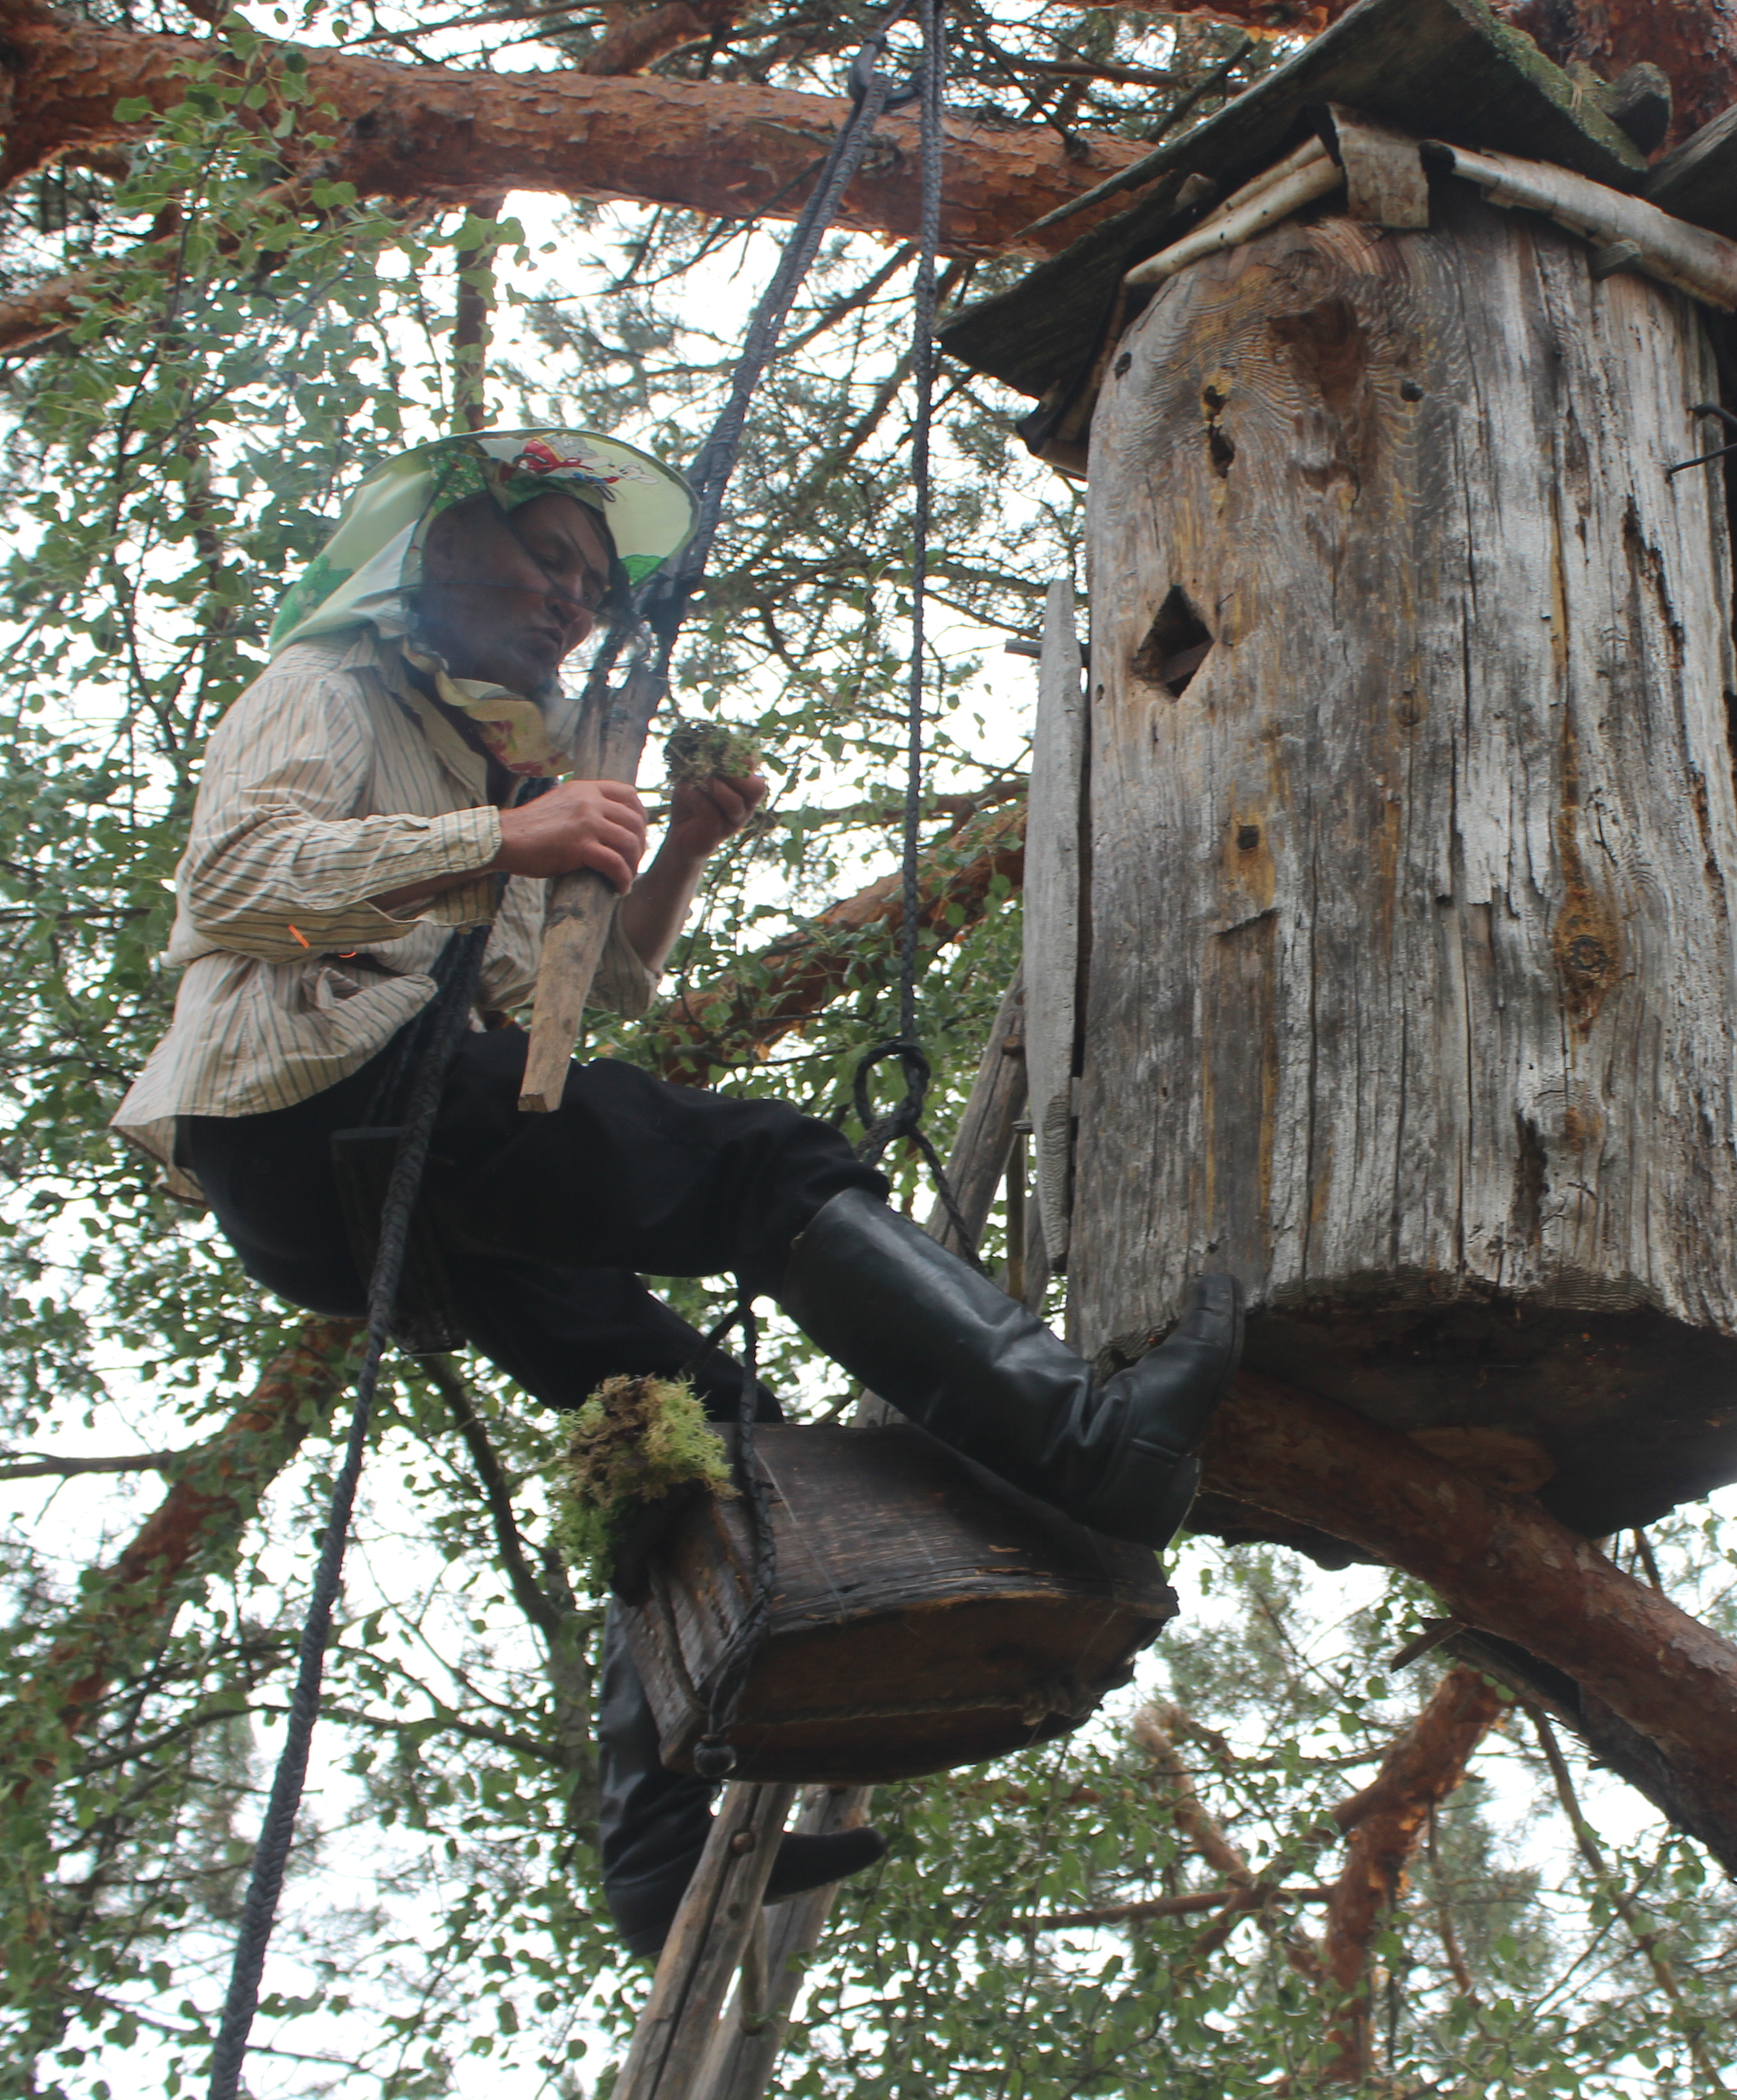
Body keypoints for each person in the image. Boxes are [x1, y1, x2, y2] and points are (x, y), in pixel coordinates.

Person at [110, 428, 1241, 1958]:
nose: (575, 598)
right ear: (445, 550)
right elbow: (237, 885)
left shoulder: (498, 756)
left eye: (592, 579)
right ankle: (1085, 1443)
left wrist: (674, 846)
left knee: (686, 1423)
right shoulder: (331, 688)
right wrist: (504, 835)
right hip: (310, 1103)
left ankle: (648, 1845)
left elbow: (582, 988)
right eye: (546, 559)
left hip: (384, 1169)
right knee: (759, 1165)